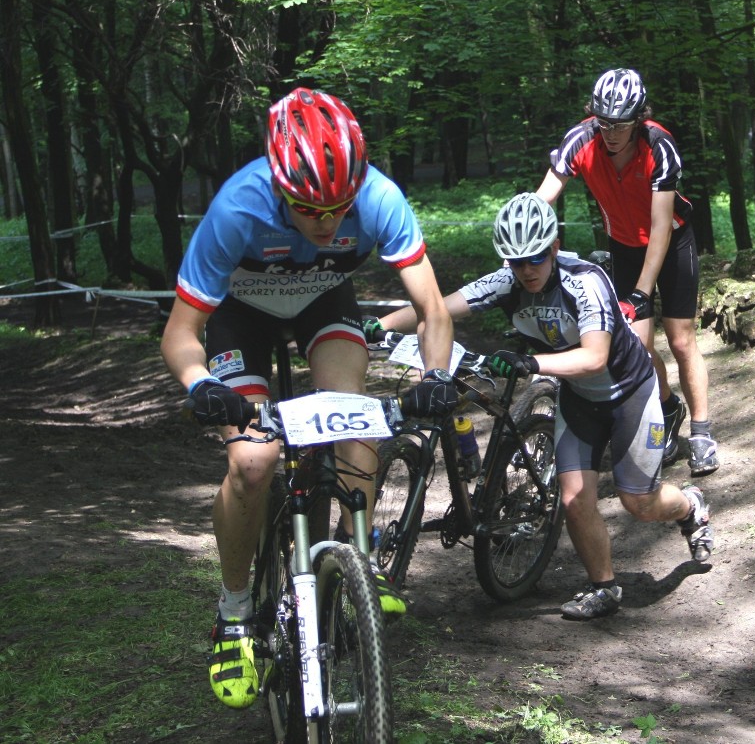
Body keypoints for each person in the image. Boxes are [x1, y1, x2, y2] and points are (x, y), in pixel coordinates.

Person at [160, 87, 455, 709]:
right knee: (253, 463)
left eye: (338, 209)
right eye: (306, 208)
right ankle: (235, 611)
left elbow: (432, 309)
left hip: (324, 301)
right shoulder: (238, 208)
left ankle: (360, 562)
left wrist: (433, 377)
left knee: (355, 418)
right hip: (241, 314)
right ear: (277, 186)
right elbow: (180, 334)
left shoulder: (379, 197)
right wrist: (202, 386)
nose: (326, 223)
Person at [369, 192, 714, 621]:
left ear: (552, 247)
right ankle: (604, 586)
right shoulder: (508, 280)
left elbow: (594, 357)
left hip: (629, 393)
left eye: (535, 257)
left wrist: (531, 362)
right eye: (516, 262)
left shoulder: (584, 281)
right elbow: (437, 306)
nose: (526, 270)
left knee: (637, 502)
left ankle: (690, 505)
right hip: (581, 398)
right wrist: (375, 326)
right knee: (572, 498)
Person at [536, 68, 719, 477]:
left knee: (681, 338)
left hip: (671, 242)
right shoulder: (581, 139)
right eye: (604, 123)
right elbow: (543, 197)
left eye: (620, 124)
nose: (611, 132)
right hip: (623, 242)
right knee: (638, 346)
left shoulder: (659, 145)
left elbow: (659, 227)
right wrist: (527, 241)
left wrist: (642, 291)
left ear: (639, 118)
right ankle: (669, 409)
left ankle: (702, 432)